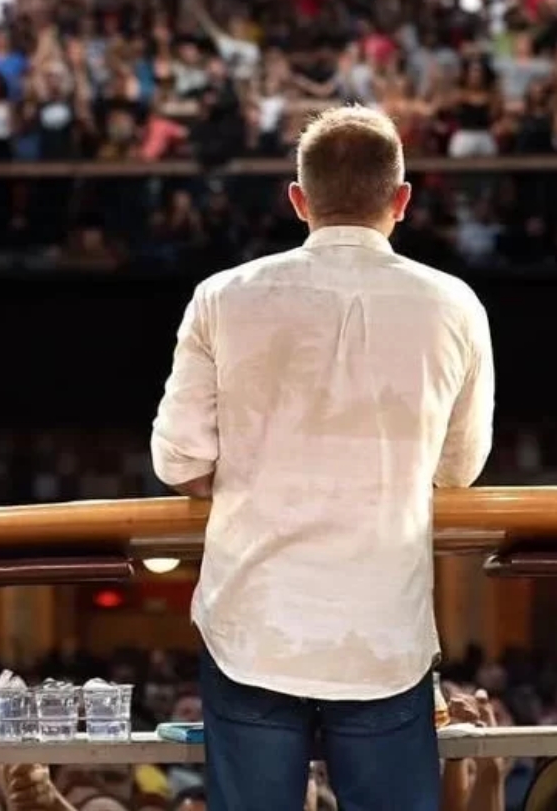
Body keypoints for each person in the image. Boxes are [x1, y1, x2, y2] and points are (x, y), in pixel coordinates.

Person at [151, 104, 497, 810]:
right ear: (401, 200)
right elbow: (459, 470)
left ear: (299, 200)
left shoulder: (222, 297)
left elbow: (179, 463)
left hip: (252, 618)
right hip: (383, 628)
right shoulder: (455, 304)